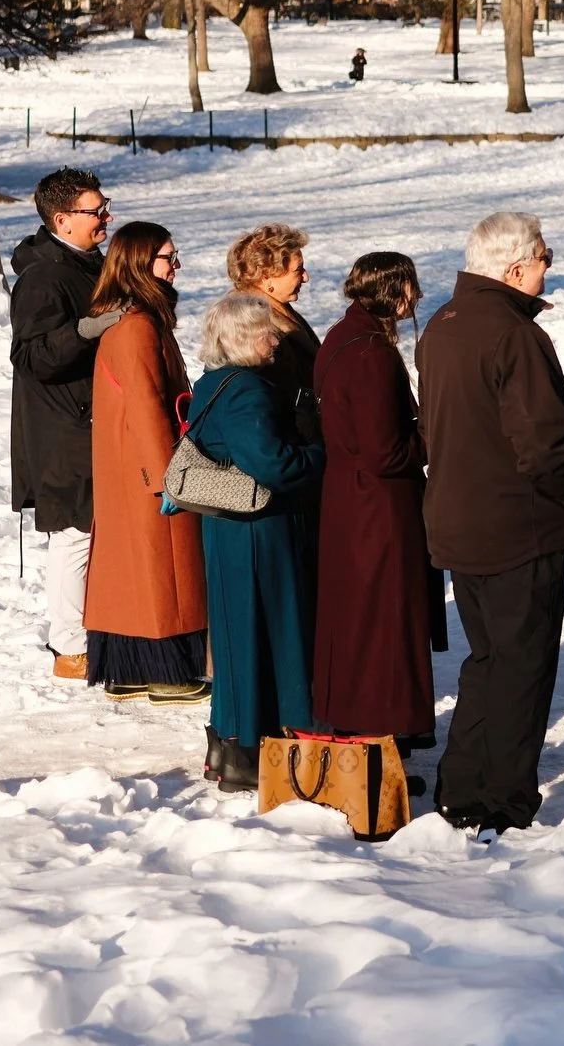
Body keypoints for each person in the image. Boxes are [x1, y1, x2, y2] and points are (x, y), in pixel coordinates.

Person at [418, 212, 564, 835]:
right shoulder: (514, 335)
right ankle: (504, 799)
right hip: (518, 527)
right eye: (545, 256)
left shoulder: (443, 323)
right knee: (521, 666)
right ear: (515, 268)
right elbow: (544, 445)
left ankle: (462, 788)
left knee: (488, 660)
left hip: (461, 523)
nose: (550, 267)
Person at [188, 293, 327, 792]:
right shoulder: (248, 390)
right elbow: (272, 464)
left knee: (234, 635)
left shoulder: (213, 382)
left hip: (227, 527)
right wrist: (318, 456)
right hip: (257, 530)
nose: (275, 339)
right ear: (247, 339)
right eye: (268, 332)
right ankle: (252, 749)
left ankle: (229, 744)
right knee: (265, 632)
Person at [311, 253, 440, 760]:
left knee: (362, 621)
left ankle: (367, 730)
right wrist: (430, 438)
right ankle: (378, 738)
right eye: (412, 287)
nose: (419, 298)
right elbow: (386, 450)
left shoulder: (344, 337)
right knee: (383, 624)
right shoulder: (371, 352)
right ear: (397, 292)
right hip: (378, 511)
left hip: (352, 502)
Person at [82, 222, 208, 703]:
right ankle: (168, 674)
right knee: (161, 571)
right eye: (166, 258)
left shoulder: (135, 320)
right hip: (145, 470)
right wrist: (167, 479)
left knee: (134, 570)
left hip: (128, 467)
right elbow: (146, 405)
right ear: (138, 264)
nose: (175, 266)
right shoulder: (136, 327)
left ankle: (130, 668)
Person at [9, 167, 117, 680]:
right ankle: (68, 647)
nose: (106, 218)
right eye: (96, 211)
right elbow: (31, 357)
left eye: (104, 207)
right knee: (74, 534)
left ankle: (92, 631)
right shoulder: (43, 277)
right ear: (62, 219)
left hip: (95, 417)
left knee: (94, 532)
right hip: (64, 426)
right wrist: (86, 330)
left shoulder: (89, 264)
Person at [227, 225, 322, 445]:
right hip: (290, 448)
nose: (306, 278)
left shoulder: (281, 312)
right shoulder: (253, 328)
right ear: (267, 277)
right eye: (298, 270)